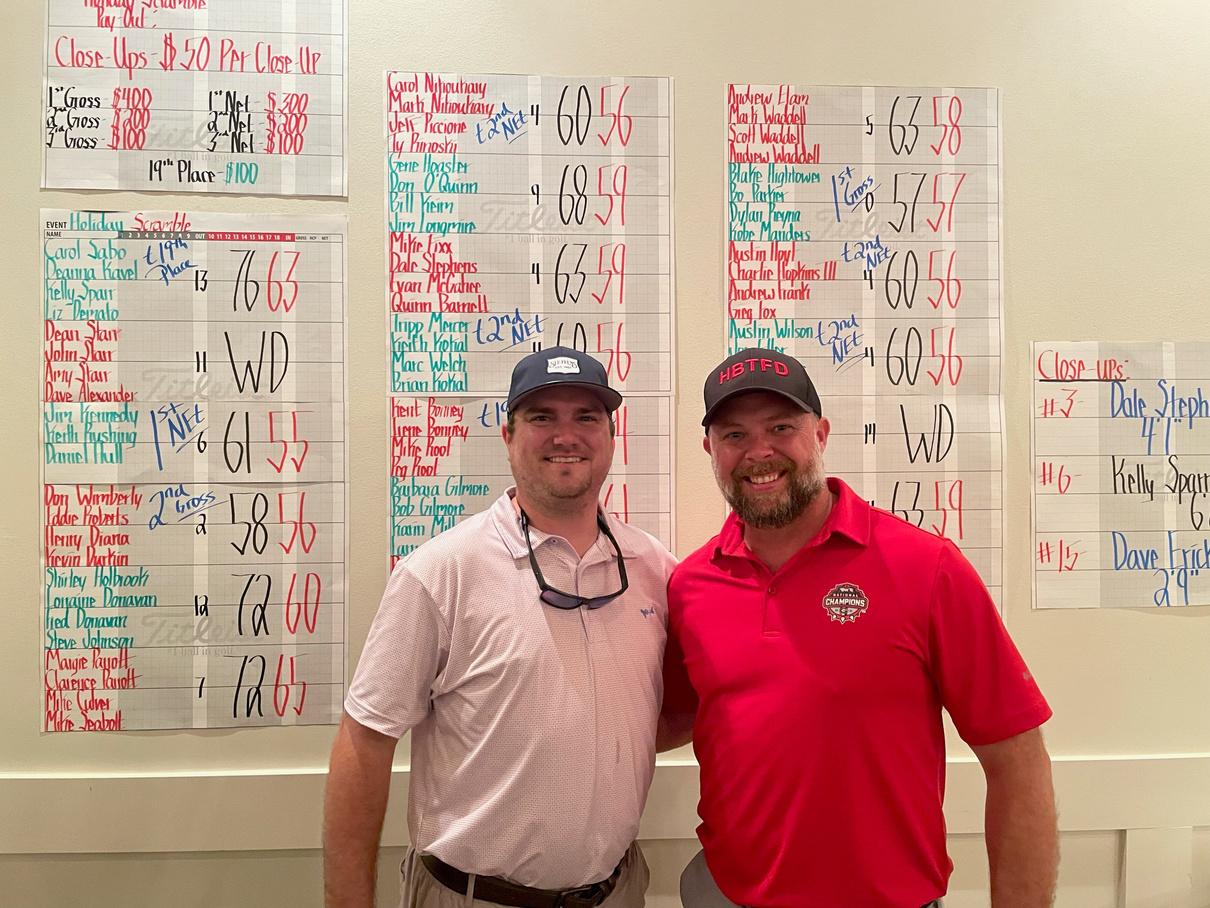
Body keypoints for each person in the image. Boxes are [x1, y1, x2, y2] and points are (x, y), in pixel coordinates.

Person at [661, 348, 1057, 908]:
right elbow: (673, 719)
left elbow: (1016, 759)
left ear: (820, 434)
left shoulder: (926, 568)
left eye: (781, 427)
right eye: (734, 435)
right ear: (711, 450)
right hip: (725, 895)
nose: (759, 451)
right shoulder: (690, 585)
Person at [325, 347, 676, 908]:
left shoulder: (654, 570)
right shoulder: (438, 573)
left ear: (612, 438)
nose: (566, 435)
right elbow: (364, 741)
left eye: (586, 417)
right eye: (542, 417)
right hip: (472, 897)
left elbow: (672, 709)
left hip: (616, 891)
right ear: (508, 436)